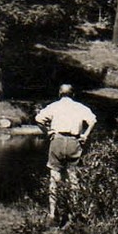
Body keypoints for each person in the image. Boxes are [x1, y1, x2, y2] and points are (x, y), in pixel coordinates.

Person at [35, 84, 97, 224]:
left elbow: (38, 119)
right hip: (74, 141)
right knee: (73, 177)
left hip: (57, 140)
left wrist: (47, 131)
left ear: (59, 93)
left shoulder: (54, 106)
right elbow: (93, 120)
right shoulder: (80, 107)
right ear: (73, 94)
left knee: (54, 177)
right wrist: (85, 135)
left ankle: (52, 213)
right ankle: (74, 212)